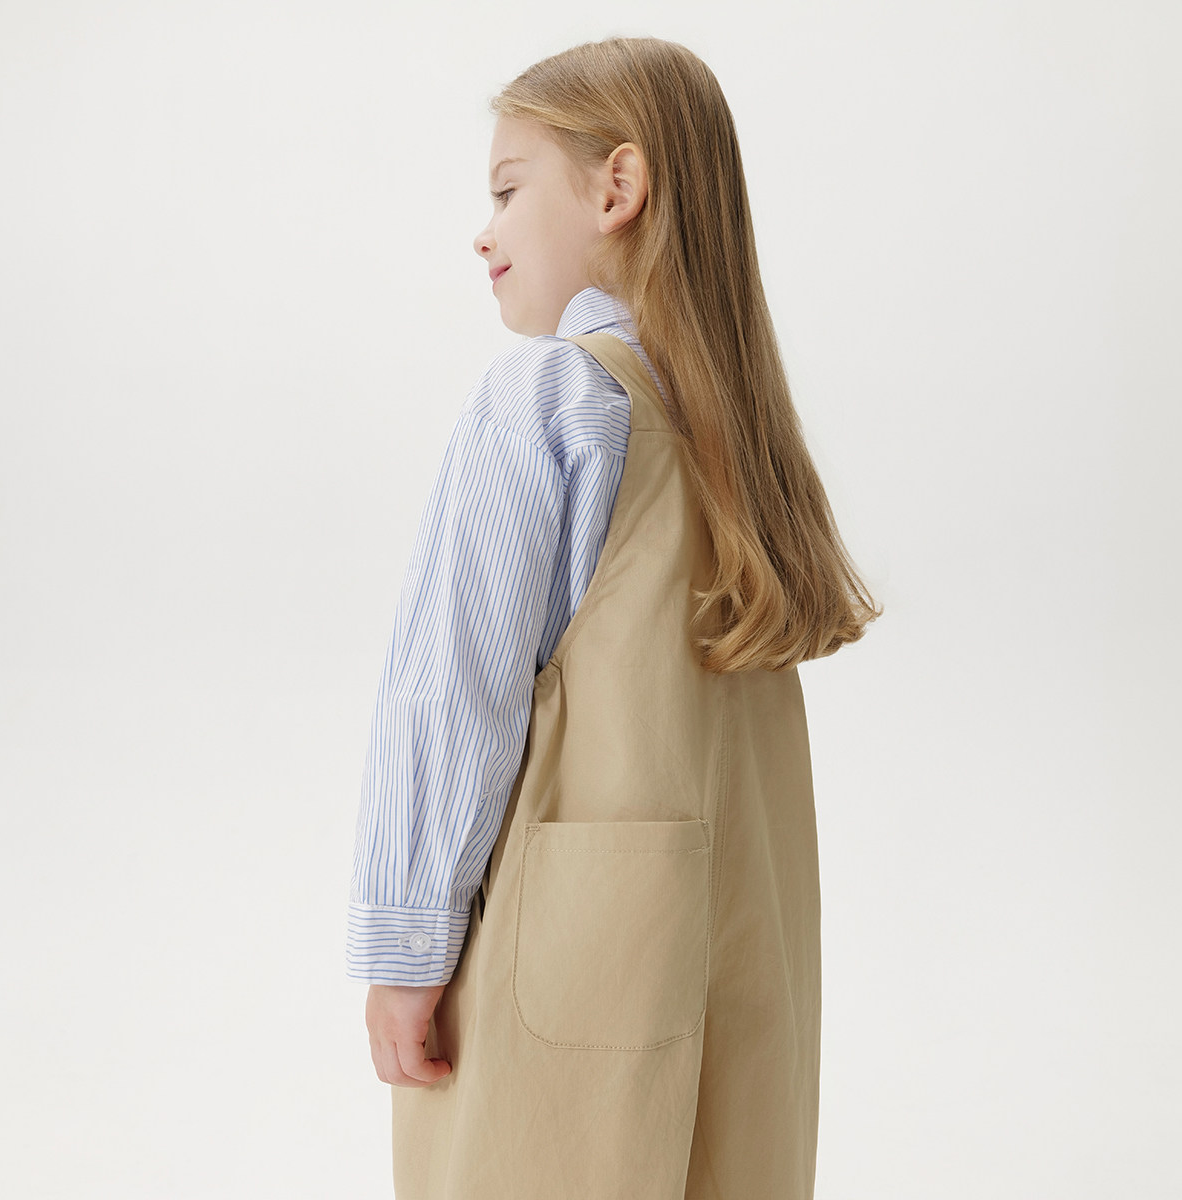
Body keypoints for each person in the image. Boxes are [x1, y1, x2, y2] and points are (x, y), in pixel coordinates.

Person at [347, 35, 881, 1200]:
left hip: (574, 978)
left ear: (618, 187)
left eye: (506, 188)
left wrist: (406, 943)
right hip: (747, 978)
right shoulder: (742, 445)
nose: (482, 231)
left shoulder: (550, 394)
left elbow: (452, 684)